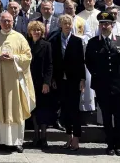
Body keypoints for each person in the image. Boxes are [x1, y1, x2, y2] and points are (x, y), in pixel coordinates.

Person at [0, 11, 35, 153]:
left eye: (9, 21)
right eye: (4, 21)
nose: (7, 23)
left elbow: (27, 56)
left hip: (16, 82)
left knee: (16, 110)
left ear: (13, 21)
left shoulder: (19, 37)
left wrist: (14, 58)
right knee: (1, 108)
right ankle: (1, 141)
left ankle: (17, 142)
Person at [85, 11, 120, 156]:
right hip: (102, 85)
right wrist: (99, 75)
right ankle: (110, 144)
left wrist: (119, 75)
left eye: (107, 24)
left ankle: (119, 145)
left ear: (112, 25)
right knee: (106, 116)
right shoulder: (93, 43)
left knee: (119, 116)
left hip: (119, 85)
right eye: (102, 24)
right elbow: (89, 63)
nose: (104, 26)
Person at [50, 14, 85, 151]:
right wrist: (52, 78)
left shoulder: (77, 41)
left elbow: (81, 61)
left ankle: (76, 137)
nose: (67, 26)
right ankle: (68, 136)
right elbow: (53, 61)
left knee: (74, 110)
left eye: (69, 24)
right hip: (60, 80)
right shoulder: (55, 40)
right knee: (64, 109)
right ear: (60, 25)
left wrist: (82, 79)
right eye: (64, 23)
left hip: (74, 79)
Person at [27, 20, 53, 149]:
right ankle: (36, 135)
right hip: (30, 81)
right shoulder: (27, 45)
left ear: (42, 32)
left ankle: (44, 137)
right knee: (33, 110)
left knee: (43, 109)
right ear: (30, 32)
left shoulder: (47, 45)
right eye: (34, 30)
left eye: (38, 30)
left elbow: (49, 65)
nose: (36, 32)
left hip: (42, 82)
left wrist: (46, 82)